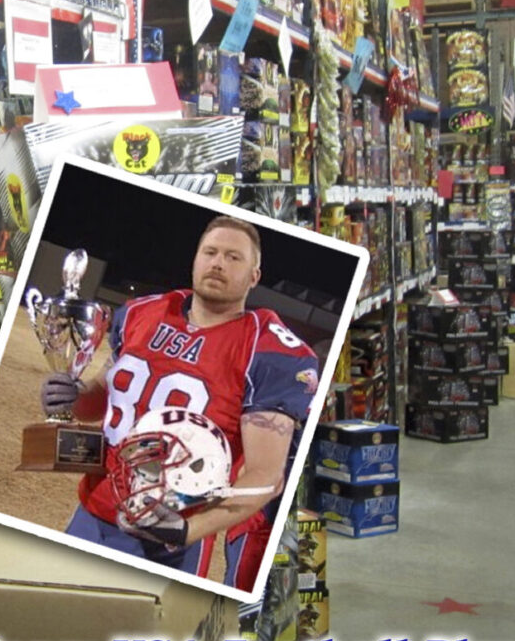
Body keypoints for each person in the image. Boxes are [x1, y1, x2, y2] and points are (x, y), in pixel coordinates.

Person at [41, 215, 319, 586]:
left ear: (254, 277)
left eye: (234, 258)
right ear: (195, 260)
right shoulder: (143, 313)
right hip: (94, 510)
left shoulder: (267, 350)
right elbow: (101, 399)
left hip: (170, 538)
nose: (218, 263)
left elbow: (267, 476)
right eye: (211, 252)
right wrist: (72, 397)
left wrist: (187, 529)